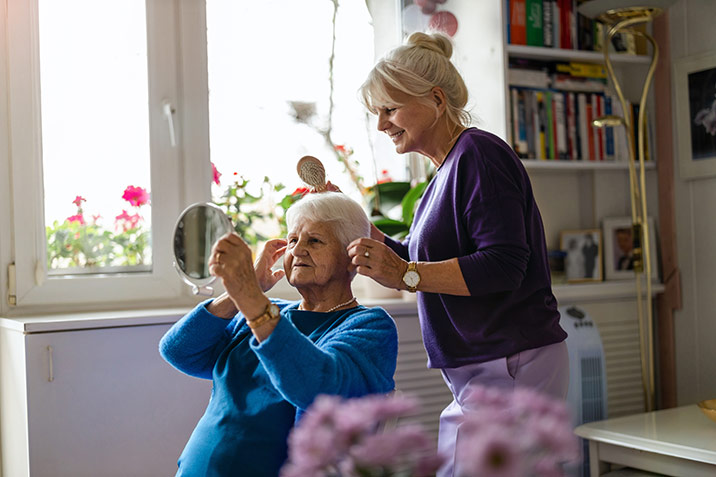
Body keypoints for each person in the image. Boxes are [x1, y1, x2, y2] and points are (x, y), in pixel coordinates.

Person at [348, 31, 568, 477]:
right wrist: (353, 222)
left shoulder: (479, 155)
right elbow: (416, 258)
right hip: (482, 367)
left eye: (389, 110)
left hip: (511, 360)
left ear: (435, 99)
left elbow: (503, 265)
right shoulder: (444, 173)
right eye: (377, 113)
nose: (381, 124)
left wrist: (406, 273)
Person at [160, 192, 398, 477]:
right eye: (293, 240)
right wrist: (241, 295)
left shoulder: (368, 326)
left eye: (314, 241)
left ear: (351, 256)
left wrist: (252, 300)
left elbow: (316, 387)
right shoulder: (263, 310)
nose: (297, 251)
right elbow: (179, 351)